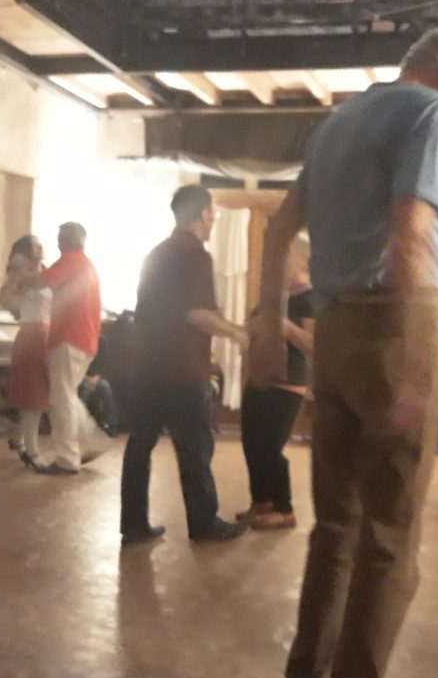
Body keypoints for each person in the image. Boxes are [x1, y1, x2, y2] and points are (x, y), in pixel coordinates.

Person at [249, 25, 438, 678]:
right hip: (393, 324)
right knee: (390, 534)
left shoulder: (339, 121)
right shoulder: (428, 113)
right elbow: (411, 228)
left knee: (336, 526)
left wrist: (267, 325)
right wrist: (418, 360)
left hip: (335, 330)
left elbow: (279, 229)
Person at [119, 185, 249, 544]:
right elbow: (196, 314)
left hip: (146, 368)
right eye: (212, 214)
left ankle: (133, 524)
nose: (214, 220)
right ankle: (203, 524)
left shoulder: (157, 254)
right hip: (183, 370)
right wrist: (237, 333)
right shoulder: (195, 256)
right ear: (203, 214)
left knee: (139, 446)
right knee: (194, 449)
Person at [17, 222, 108, 475]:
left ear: (68, 239)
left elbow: (39, 281)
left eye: (60, 237)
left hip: (70, 337)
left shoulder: (71, 261)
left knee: (60, 399)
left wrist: (18, 272)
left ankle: (67, 459)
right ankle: (92, 441)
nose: (57, 242)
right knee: (66, 395)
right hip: (85, 339)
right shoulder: (84, 264)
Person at [237, 251, 314, 531]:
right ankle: (262, 501)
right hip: (258, 379)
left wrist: (286, 327)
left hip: (287, 382)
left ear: (301, 262)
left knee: (270, 447)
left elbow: (313, 344)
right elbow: (250, 331)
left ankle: (284, 509)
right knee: (252, 444)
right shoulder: (270, 299)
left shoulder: (309, 299)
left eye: (285, 261)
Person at [0, 235, 51, 468]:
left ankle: (19, 437)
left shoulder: (48, 272)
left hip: (48, 334)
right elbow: (5, 301)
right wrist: (14, 276)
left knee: (41, 393)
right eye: (34, 247)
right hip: (31, 335)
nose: (40, 250)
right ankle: (32, 450)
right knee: (33, 396)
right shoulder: (20, 277)